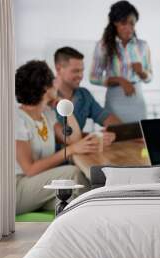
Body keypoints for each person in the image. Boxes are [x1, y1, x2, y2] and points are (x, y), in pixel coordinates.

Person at [15, 60, 100, 214]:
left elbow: (73, 139)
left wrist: (66, 107)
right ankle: (99, 216)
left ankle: (82, 231)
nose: (56, 84)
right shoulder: (18, 119)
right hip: (19, 188)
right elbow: (30, 169)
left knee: (73, 201)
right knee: (72, 173)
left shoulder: (47, 114)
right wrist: (71, 150)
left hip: (42, 185)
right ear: (44, 88)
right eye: (52, 81)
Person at [90, 0, 152, 122]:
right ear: (115, 23)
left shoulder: (142, 46)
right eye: (124, 23)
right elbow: (93, 77)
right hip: (115, 99)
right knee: (115, 138)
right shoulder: (103, 46)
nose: (129, 28)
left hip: (137, 100)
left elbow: (149, 77)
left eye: (132, 24)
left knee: (139, 138)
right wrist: (120, 80)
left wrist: (142, 73)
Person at [54, 47, 120, 146]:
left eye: (82, 71)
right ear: (59, 69)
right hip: (54, 159)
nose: (81, 75)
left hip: (79, 156)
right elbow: (58, 137)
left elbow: (106, 117)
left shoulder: (84, 95)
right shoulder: (45, 97)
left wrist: (116, 130)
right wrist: (96, 136)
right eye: (76, 71)